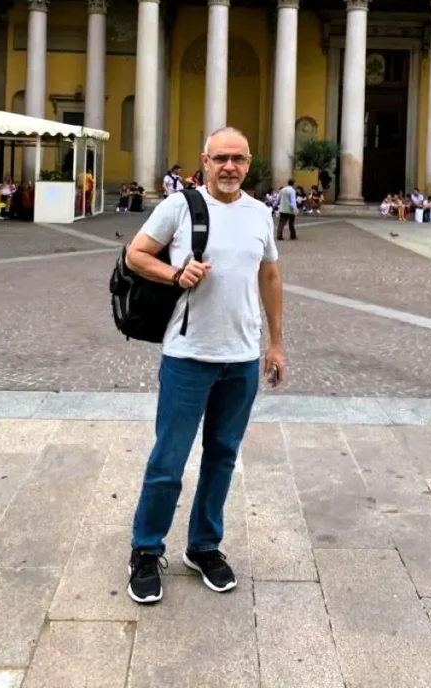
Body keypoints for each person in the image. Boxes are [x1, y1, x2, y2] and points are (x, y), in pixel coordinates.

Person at [125, 127, 283, 605]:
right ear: (205, 160)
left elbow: (270, 274)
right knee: (168, 461)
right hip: (187, 357)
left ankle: (204, 545)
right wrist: (175, 273)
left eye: (238, 158)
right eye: (221, 158)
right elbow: (135, 254)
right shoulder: (179, 205)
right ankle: (146, 550)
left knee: (222, 457)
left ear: (249, 163)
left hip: (241, 360)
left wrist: (275, 344)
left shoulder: (261, 214)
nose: (229, 166)